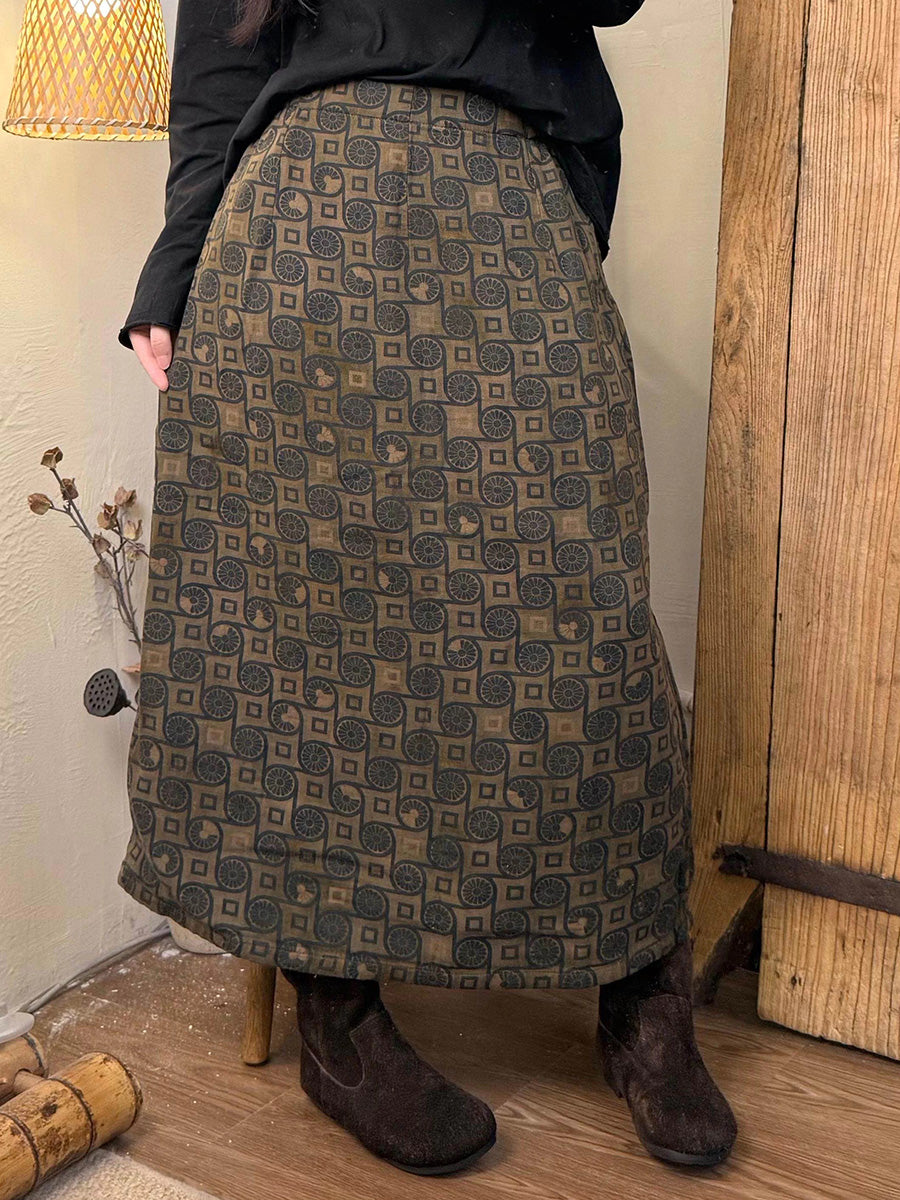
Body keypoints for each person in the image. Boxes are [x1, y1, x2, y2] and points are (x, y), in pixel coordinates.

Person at [118, 0, 737, 1176]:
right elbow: (214, 68)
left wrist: (567, 214)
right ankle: (339, 1022)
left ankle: (641, 997)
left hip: (509, 202)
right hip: (295, 239)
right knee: (304, 638)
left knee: (583, 623)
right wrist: (175, 264)